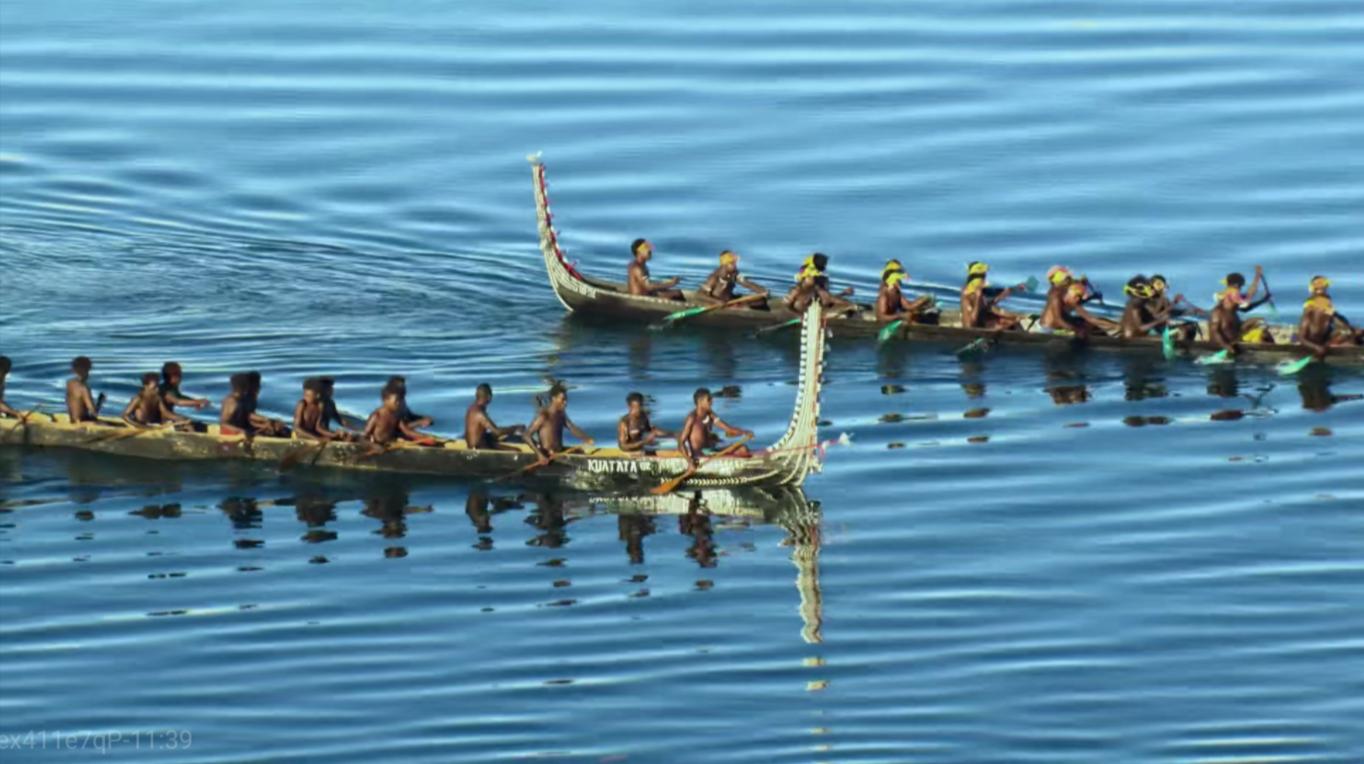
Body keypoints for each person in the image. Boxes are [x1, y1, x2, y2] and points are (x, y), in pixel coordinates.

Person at [678, 387, 753, 467]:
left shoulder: (710, 415)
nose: (712, 402)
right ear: (700, 402)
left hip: (710, 450)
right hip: (700, 454)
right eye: (709, 399)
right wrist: (690, 463)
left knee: (743, 449)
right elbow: (681, 442)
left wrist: (745, 432)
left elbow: (728, 429)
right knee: (742, 450)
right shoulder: (692, 418)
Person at [523, 383, 594, 462]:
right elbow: (526, 435)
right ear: (554, 398)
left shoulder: (561, 414)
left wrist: (586, 438)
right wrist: (539, 455)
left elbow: (572, 428)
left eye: (566, 399)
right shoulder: (544, 416)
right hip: (547, 455)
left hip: (559, 452)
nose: (565, 402)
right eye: (563, 399)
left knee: (580, 451)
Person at [1209, 266, 1272, 355]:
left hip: (1237, 339)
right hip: (1226, 345)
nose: (1241, 290)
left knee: (1260, 322)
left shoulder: (1232, 306)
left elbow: (1246, 307)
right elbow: (1215, 332)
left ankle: (1271, 350)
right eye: (1241, 287)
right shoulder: (1218, 312)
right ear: (1237, 285)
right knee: (1258, 326)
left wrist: (1263, 299)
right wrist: (1228, 347)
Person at [1298, 276, 1362, 360]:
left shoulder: (1327, 306)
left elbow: (1339, 320)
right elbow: (1302, 338)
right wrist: (1317, 348)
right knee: (1351, 340)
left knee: (1358, 332)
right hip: (1317, 343)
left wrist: (1351, 329)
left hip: (1326, 339)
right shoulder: (1309, 311)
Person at [220, 371, 288, 437]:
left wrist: (267, 421)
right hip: (232, 434)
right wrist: (242, 431)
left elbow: (248, 416)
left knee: (280, 430)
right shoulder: (231, 402)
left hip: (243, 430)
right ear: (244, 387)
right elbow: (224, 424)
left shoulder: (242, 399)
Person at [363, 383, 434, 446]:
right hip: (377, 444)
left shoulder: (396, 415)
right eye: (396, 401)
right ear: (385, 400)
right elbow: (365, 436)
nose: (399, 403)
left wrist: (425, 437)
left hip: (391, 443)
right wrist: (373, 446)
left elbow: (407, 431)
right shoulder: (377, 416)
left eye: (400, 400)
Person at [959, 261, 1022, 330]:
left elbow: (987, 306)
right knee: (1012, 323)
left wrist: (1014, 288)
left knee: (1010, 320)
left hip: (980, 323)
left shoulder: (974, 291)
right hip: (974, 330)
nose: (986, 280)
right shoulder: (972, 295)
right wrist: (978, 298)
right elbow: (971, 325)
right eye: (984, 276)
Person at [783, 253, 854, 313]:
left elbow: (826, 298)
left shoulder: (808, 279)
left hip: (809, 306)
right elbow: (827, 299)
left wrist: (843, 293)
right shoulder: (815, 281)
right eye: (824, 265)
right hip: (809, 310)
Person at [698, 250, 768, 307]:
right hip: (715, 304)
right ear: (725, 265)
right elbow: (700, 295)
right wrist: (717, 302)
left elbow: (746, 283)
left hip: (729, 301)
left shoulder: (734, 274)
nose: (735, 266)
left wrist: (762, 290)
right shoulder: (714, 277)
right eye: (732, 263)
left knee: (761, 301)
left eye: (735, 263)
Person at [464, 383, 524, 449]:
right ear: (489, 397)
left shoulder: (471, 408)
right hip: (478, 448)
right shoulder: (480, 413)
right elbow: (497, 431)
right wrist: (515, 428)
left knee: (496, 438)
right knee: (515, 450)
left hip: (474, 445)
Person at [122, 372, 190, 428]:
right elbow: (125, 415)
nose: (157, 389)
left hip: (152, 425)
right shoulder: (138, 398)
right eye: (155, 387)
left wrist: (180, 418)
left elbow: (166, 413)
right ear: (146, 386)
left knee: (186, 424)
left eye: (158, 386)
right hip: (139, 425)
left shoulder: (157, 398)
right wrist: (139, 426)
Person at [876, 260, 934, 324]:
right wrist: (901, 316)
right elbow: (881, 318)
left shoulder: (896, 292)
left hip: (894, 319)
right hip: (884, 323)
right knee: (913, 319)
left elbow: (908, 306)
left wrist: (923, 299)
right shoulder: (884, 295)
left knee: (915, 315)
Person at [65, 356, 104, 423]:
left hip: (72, 421)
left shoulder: (69, 383)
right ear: (86, 370)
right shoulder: (84, 388)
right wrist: (100, 401)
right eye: (89, 369)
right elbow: (93, 412)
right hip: (83, 423)